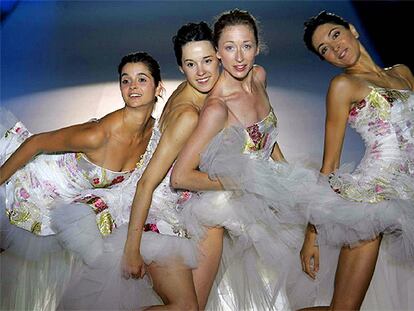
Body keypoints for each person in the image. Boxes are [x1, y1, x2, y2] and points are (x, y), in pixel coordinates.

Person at [56, 22, 221, 310]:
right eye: (191, 64)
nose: (202, 71)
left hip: (168, 208)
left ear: (218, 55)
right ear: (181, 68)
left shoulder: (192, 89)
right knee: (186, 307)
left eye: (207, 61)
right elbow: (149, 183)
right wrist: (132, 250)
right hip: (155, 214)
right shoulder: (188, 115)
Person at [0, 51, 163, 310]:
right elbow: (36, 143)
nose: (133, 87)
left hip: (61, 203)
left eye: (142, 79)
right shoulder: (97, 134)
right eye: (125, 80)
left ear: (158, 87)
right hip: (29, 184)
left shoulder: (156, 134)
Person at [172, 9, 310, 310]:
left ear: (258, 47)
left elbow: (265, 137)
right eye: (229, 47)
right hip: (221, 208)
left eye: (246, 45)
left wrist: (287, 177)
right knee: (194, 304)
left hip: (268, 190)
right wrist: (242, 182)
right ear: (218, 53)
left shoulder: (259, 76)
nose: (239, 56)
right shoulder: (217, 108)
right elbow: (180, 176)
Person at [299, 11, 414, 311]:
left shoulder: (403, 73)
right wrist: (312, 233)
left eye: (335, 35)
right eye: (324, 49)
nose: (334, 48)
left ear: (352, 29)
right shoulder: (343, 86)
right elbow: (330, 164)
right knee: (345, 308)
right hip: (370, 202)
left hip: (408, 195)